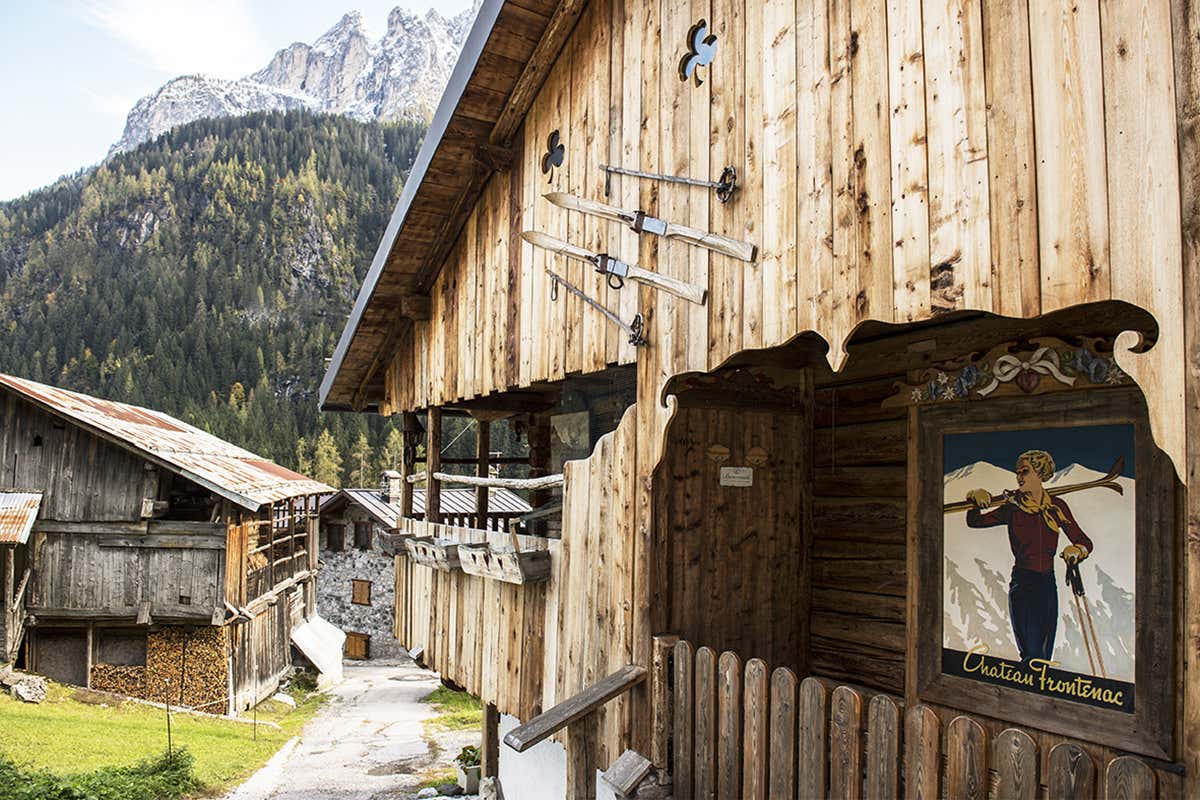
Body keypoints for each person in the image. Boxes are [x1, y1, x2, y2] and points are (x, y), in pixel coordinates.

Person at [965, 450, 1093, 662]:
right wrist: (974, 497)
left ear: (1040, 474)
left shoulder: (1056, 507)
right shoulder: (1012, 508)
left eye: (1025, 472)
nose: (1019, 477)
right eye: (1018, 473)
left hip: (1047, 585)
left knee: (1043, 656)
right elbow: (975, 522)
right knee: (1030, 656)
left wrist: (1077, 550)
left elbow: (1084, 541)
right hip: (1023, 585)